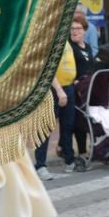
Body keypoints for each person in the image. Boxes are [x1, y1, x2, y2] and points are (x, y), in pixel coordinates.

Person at [34, 36, 81, 179]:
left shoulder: (64, 40)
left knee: (68, 125)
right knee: (46, 128)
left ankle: (69, 160)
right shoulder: (48, 40)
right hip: (53, 90)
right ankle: (41, 166)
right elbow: (48, 68)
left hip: (69, 88)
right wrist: (59, 90)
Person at [69, 14, 97, 162]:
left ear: (85, 30)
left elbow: (90, 67)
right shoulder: (70, 48)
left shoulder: (87, 47)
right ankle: (81, 151)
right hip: (76, 88)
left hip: (89, 87)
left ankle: (96, 146)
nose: (74, 31)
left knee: (91, 118)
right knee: (79, 120)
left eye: (78, 28)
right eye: (72, 29)